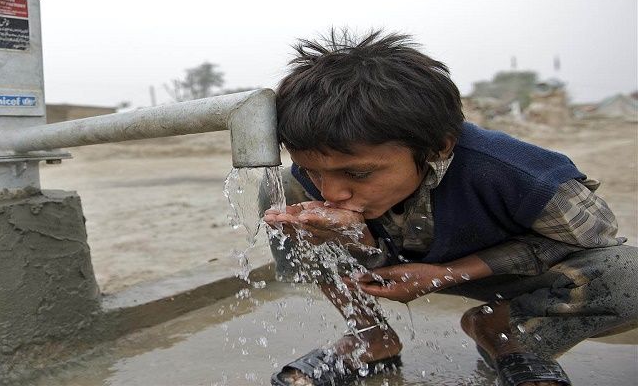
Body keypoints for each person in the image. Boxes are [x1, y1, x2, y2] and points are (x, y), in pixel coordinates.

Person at [263, 29, 637, 386]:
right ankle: (370, 336)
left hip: (506, 275)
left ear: (439, 147)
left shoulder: (518, 175)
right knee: (280, 191)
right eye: (313, 170)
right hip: (401, 266)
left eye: (358, 173)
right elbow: (363, 249)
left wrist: (448, 273)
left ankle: (502, 330)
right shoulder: (306, 182)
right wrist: (352, 235)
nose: (331, 192)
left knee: (628, 277)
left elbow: (592, 240)